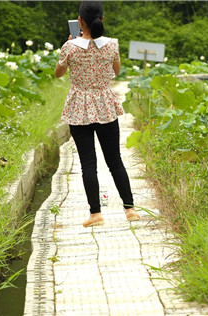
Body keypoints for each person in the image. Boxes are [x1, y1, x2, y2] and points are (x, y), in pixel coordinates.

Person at [55, 1, 139, 227]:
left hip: (79, 108)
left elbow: (58, 73)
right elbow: (116, 70)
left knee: (88, 163)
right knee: (115, 160)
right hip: (105, 105)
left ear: (80, 22)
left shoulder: (70, 47)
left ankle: (96, 214)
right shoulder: (112, 45)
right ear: (102, 20)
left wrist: (69, 46)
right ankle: (130, 209)